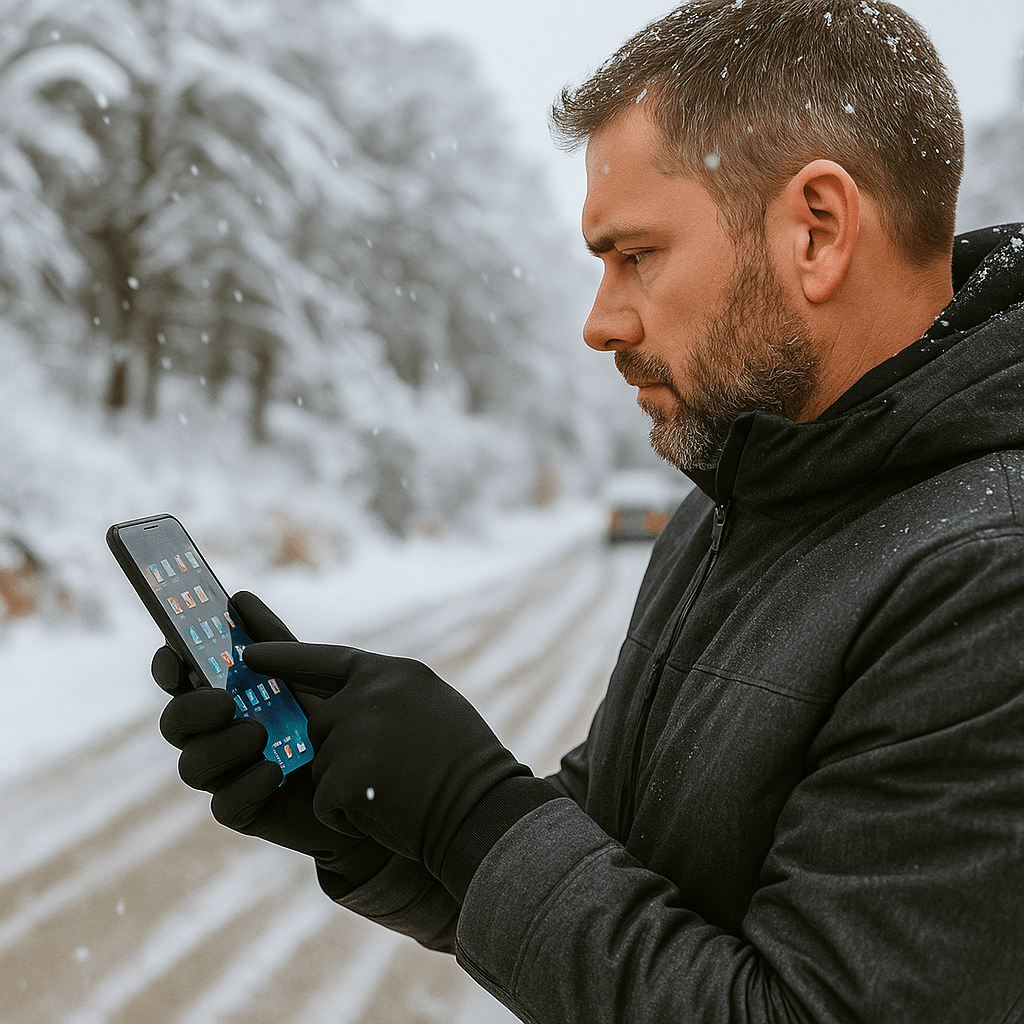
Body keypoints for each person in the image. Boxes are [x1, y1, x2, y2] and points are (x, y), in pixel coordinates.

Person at [153, 1, 1024, 1020]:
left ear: (815, 232)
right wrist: (382, 816)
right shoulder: (738, 498)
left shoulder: (987, 579)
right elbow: (626, 868)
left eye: (635, 255)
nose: (599, 322)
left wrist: (470, 813)